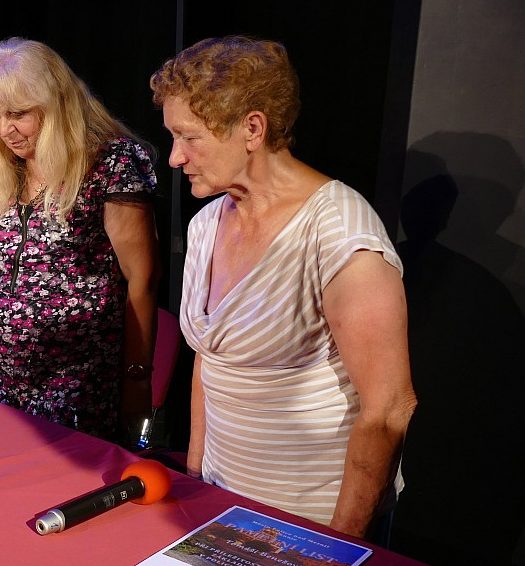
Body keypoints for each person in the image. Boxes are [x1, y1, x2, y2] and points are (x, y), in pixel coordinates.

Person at [150, 35, 417, 540]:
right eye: (172, 137)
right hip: (221, 505)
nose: (175, 158)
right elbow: (209, 361)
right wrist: (196, 476)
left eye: (189, 138)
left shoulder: (338, 233)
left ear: (252, 128)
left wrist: (339, 545)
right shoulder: (207, 223)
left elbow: (388, 410)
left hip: (313, 524)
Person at [0, 38, 160, 444]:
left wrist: (136, 379)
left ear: (56, 106)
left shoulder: (108, 163)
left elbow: (143, 279)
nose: (5, 129)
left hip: (76, 381)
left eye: (18, 114)